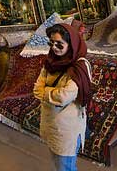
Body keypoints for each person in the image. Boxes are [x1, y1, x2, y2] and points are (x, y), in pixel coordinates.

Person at [34, 23, 92, 171]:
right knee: (59, 164)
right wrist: (50, 92)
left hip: (67, 129)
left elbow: (64, 96)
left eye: (59, 44)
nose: (54, 47)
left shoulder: (79, 68)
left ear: (71, 44)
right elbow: (36, 88)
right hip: (53, 124)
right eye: (51, 43)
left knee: (65, 166)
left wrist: (45, 91)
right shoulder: (51, 62)